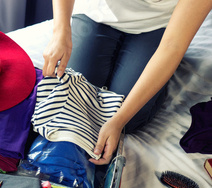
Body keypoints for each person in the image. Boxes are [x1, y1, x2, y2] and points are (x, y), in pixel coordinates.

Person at [42, 0, 212, 165]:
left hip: (157, 25)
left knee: (127, 119)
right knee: (75, 94)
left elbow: (172, 46)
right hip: (98, 14)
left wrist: (118, 121)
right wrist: (60, 33)